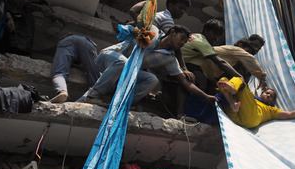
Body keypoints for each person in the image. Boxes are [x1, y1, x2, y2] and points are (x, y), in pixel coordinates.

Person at [82, 25, 216, 107]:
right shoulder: (153, 31)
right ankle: (94, 95)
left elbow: (185, 82)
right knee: (124, 62)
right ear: (173, 32)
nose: (183, 43)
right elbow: (135, 13)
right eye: (182, 38)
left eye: (185, 42)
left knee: (152, 79)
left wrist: (205, 96)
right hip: (109, 57)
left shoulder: (169, 59)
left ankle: (120, 103)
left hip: (125, 72)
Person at [216, 76, 295, 129]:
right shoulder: (252, 97)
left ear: (272, 102)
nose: (268, 95)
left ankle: (232, 89)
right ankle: (232, 103)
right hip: (234, 116)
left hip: (251, 118)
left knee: (240, 80)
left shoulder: (271, 110)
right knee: (223, 80)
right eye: (267, 93)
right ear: (262, 93)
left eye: (271, 97)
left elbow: (290, 114)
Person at [50, 35, 100, 103]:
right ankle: (84, 100)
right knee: (95, 81)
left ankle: (62, 91)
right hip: (87, 42)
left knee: (59, 73)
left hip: (67, 40)